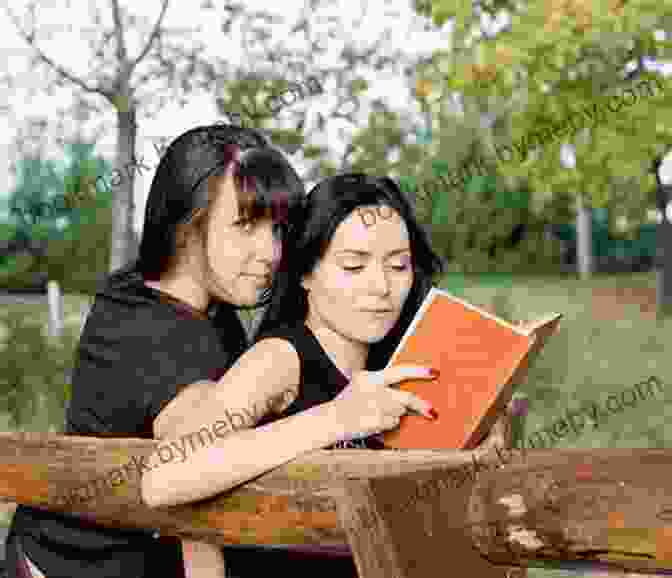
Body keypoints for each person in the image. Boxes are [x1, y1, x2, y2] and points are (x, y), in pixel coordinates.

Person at [141, 173, 501, 577]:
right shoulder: (279, 359)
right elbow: (163, 476)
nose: (381, 286)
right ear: (306, 273)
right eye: (353, 265)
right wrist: (337, 418)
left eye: (398, 265)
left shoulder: (400, 368)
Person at [5, 122, 307, 578]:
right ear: (186, 226)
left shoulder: (172, 298)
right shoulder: (154, 331)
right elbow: (195, 474)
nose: (270, 251)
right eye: (245, 225)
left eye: (277, 229)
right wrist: (333, 415)